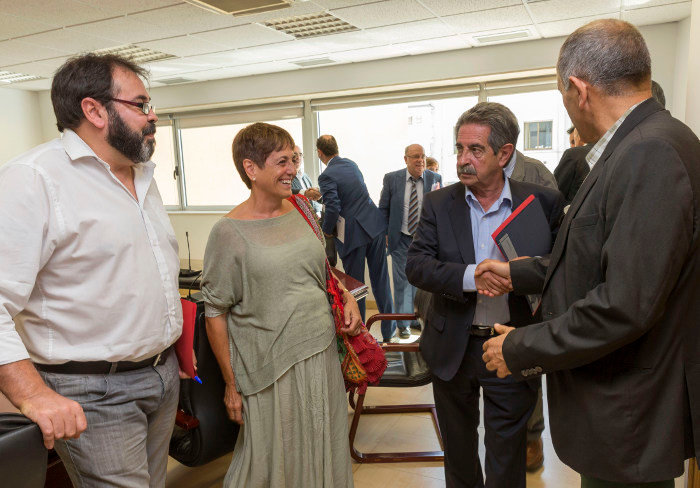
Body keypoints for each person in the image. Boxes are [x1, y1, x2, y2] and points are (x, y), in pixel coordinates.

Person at [480, 19, 700, 488]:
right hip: (625, 410)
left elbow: (624, 303)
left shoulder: (648, 152)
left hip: (627, 411)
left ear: (578, 90)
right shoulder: (643, 143)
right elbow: (604, 252)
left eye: (562, 95)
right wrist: (520, 272)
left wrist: (519, 347)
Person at [0, 53, 182, 487]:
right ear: (94, 110)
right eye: (140, 104)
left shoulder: (142, 175)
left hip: (161, 376)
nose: (151, 115)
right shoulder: (33, 179)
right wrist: (32, 394)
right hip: (92, 391)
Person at [406, 102, 565, 488]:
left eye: (475, 150)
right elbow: (416, 266)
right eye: (459, 149)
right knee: (459, 456)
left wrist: (522, 274)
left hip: (509, 346)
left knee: (506, 458)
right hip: (452, 349)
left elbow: (561, 270)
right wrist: (469, 277)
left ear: (504, 153)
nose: (463, 160)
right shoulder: (439, 204)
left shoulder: (541, 203)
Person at [202, 123, 359, 487]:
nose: (292, 169)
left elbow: (321, 270)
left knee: (324, 445)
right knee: (271, 459)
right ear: (251, 169)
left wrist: (347, 297)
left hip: (320, 355)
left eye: (294, 159)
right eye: (281, 161)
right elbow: (215, 313)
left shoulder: (302, 208)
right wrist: (230, 384)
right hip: (270, 368)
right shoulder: (228, 232)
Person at [317, 134, 396, 342]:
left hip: (353, 234)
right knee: (381, 282)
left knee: (356, 287)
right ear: (336, 148)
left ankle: (360, 334)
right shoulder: (351, 164)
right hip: (375, 226)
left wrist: (326, 231)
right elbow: (353, 193)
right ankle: (389, 333)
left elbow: (333, 207)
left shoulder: (326, 176)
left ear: (319, 153)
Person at [378, 144, 442, 339]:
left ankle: (417, 318)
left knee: (421, 282)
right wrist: (385, 233)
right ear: (405, 159)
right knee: (402, 283)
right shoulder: (392, 179)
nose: (420, 160)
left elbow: (441, 210)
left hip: (424, 241)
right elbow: (383, 209)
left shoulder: (435, 179)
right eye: (415, 156)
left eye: (422, 156)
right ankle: (403, 324)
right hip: (400, 239)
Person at [291, 145, 322, 214]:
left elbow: (312, 200)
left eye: (300, 154)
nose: (298, 157)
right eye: (294, 154)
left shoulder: (305, 176)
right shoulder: (287, 178)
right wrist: (305, 193)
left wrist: (317, 212)